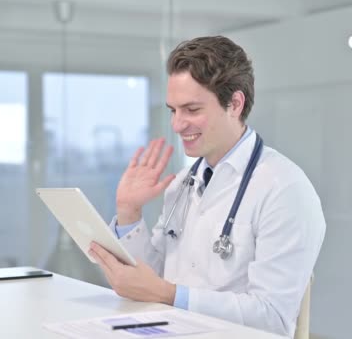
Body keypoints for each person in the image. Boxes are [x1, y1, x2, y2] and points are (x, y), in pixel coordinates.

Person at [88, 36, 326, 338]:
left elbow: (273, 318)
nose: (177, 124)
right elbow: (152, 280)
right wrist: (129, 212)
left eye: (191, 109)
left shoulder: (285, 189)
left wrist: (170, 295)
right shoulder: (184, 185)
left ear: (235, 104)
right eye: (173, 110)